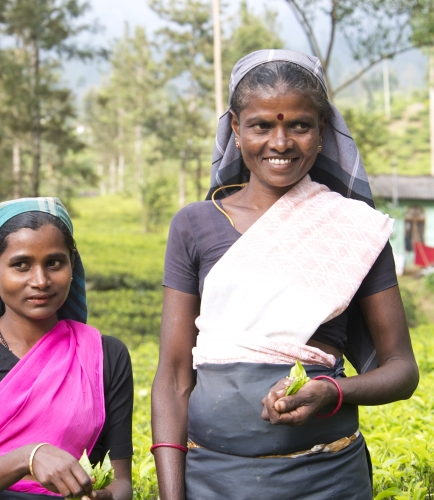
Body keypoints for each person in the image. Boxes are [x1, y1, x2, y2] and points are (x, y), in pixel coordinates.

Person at [150, 49, 419, 499]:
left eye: (299, 125)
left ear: (321, 132)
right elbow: (174, 375)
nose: (280, 143)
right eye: (261, 125)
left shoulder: (353, 229)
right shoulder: (194, 224)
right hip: (212, 480)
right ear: (235, 129)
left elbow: (402, 370)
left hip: (328, 479)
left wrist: (330, 391)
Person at [0, 198, 134, 500]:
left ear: (72, 264)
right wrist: (30, 457)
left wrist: (101, 497)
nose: (41, 281)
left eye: (54, 263)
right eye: (21, 265)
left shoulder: (106, 355)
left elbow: (121, 484)